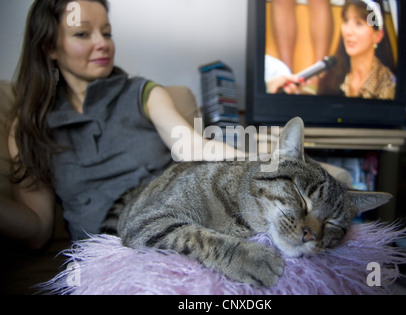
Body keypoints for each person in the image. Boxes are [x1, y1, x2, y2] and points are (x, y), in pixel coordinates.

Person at [0, 0, 243, 248]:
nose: (102, 43)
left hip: (175, 235)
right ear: (49, 46)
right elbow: (38, 230)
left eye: (106, 33)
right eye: (83, 34)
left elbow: (191, 147)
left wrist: (259, 165)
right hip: (103, 258)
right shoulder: (30, 126)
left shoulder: (145, 93)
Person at [318, 0, 396, 99]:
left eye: (359, 23)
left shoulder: (388, 85)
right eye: (346, 20)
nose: (349, 31)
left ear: (378, 35)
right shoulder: (331, 78)